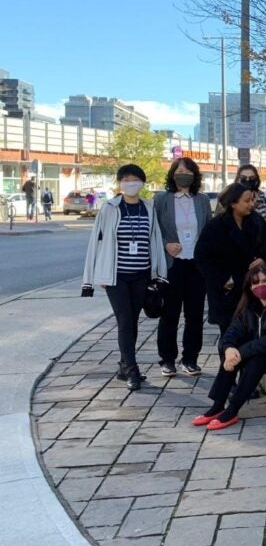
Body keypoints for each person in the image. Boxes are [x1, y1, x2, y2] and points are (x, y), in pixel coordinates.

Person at [82, 164, 168, 391]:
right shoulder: (109, 208)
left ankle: (123, 365)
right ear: (120, 183)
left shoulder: (148, 207)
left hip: (141, 275)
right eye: (126, 179)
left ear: (142, 182)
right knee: (124, 320)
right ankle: (132, 370)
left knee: (132, 320)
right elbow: (97, 242)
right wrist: (92, 275)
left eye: (135, 179)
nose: (131, 183)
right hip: (116, 276)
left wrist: (158, 273)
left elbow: (155, 239)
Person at [192, 266, 266, 430]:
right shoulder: (249, 306)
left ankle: (233, 409)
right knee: (231, 353)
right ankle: (218, 405)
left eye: (265, 281)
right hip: (263, 353)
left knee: (254, 360)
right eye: (255, 283)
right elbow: (231, 333)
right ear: (249, 287)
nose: (260, 286)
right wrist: (229, 349)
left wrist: (239, 353)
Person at [195, 182, 266, 337]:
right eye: (247, 201)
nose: (251, 204)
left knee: (253, 333)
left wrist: (263, 260)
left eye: (252, 200)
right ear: (233, 203)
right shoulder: (216, 226)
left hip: (252, 287)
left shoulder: (256, 221)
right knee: (229, 335)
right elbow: (202, 256)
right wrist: (224, 280)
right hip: (227, 290)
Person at [154, 157, 213, 377]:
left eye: (188, 170)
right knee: (170, 313)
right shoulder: (162, 199)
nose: (183, 174)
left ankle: (190, 359)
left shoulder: (202, 200)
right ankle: (167, 359)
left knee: (195, 314)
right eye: (179, 170)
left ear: (194, 175)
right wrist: (166, 245)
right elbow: (154, 231)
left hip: (196, 265)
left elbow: (208, 231)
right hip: (172, 264)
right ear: (172, 174)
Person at [236, 165, 266, 231]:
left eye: (252, 178)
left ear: (257, 180)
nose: (247, 180)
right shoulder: (228, 201)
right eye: (243, 178)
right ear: (238, 180)